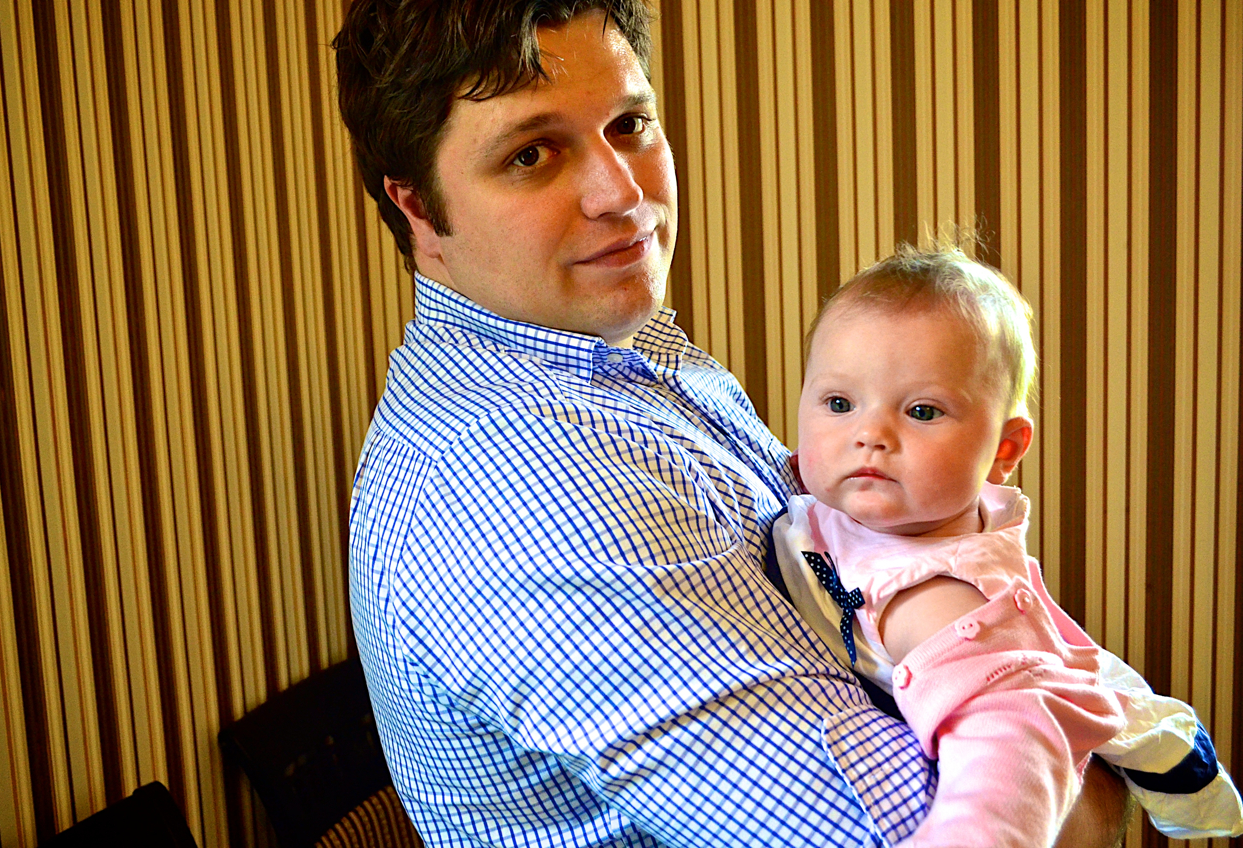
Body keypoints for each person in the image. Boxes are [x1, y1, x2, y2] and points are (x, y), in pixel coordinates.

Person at [332, 1, 1130, 844]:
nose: (623, 193)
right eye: (531, 154)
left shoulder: (620, 354)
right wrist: (1096, 758)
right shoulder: (527, 479)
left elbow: (849, 550)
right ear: (418, 208)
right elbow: (961, 828)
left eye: (629, 124)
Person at [775, 243, 1243, 846]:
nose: (869, 434)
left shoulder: (937, 598)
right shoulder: (874, 500)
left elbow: (1015, 739)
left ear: (1004, 450)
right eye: (839, 404)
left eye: (922, 411)